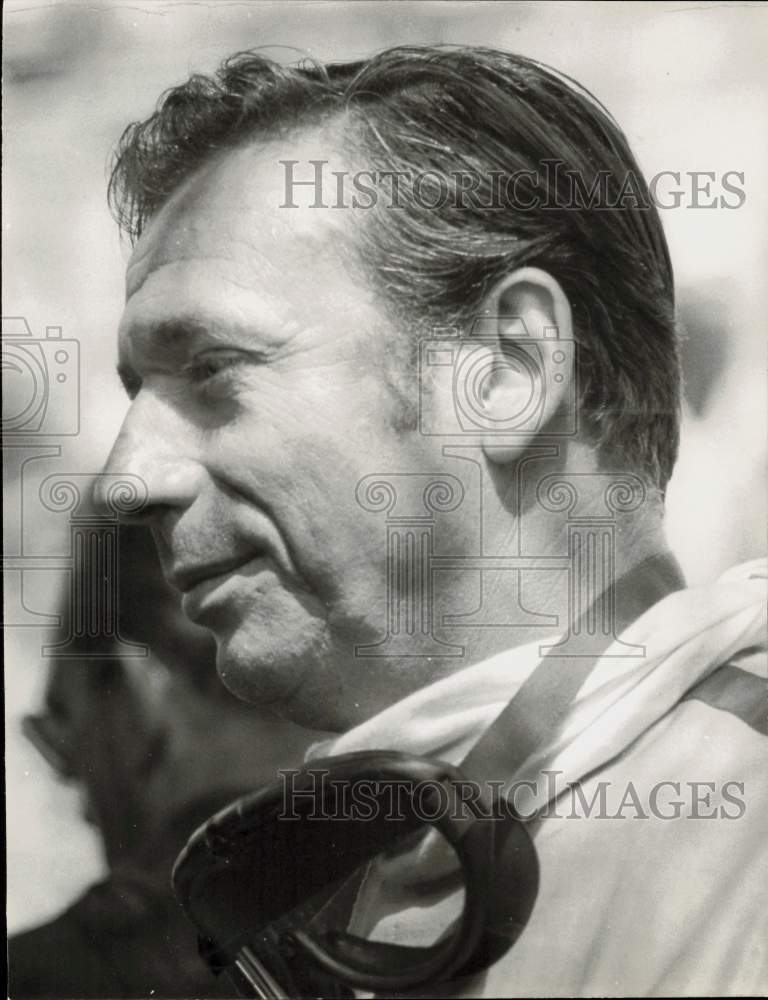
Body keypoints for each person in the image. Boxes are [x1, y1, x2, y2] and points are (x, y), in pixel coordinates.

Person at [98, 46, 767, 996]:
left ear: (507, 368)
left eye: (210, 368)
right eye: (137, 394)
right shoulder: (332, 877)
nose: (127, 479)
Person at [8, 522, 314, 999]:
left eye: (63, 740)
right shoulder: (430, 878)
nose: (85, 811)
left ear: (136, 687)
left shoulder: (45, 976)